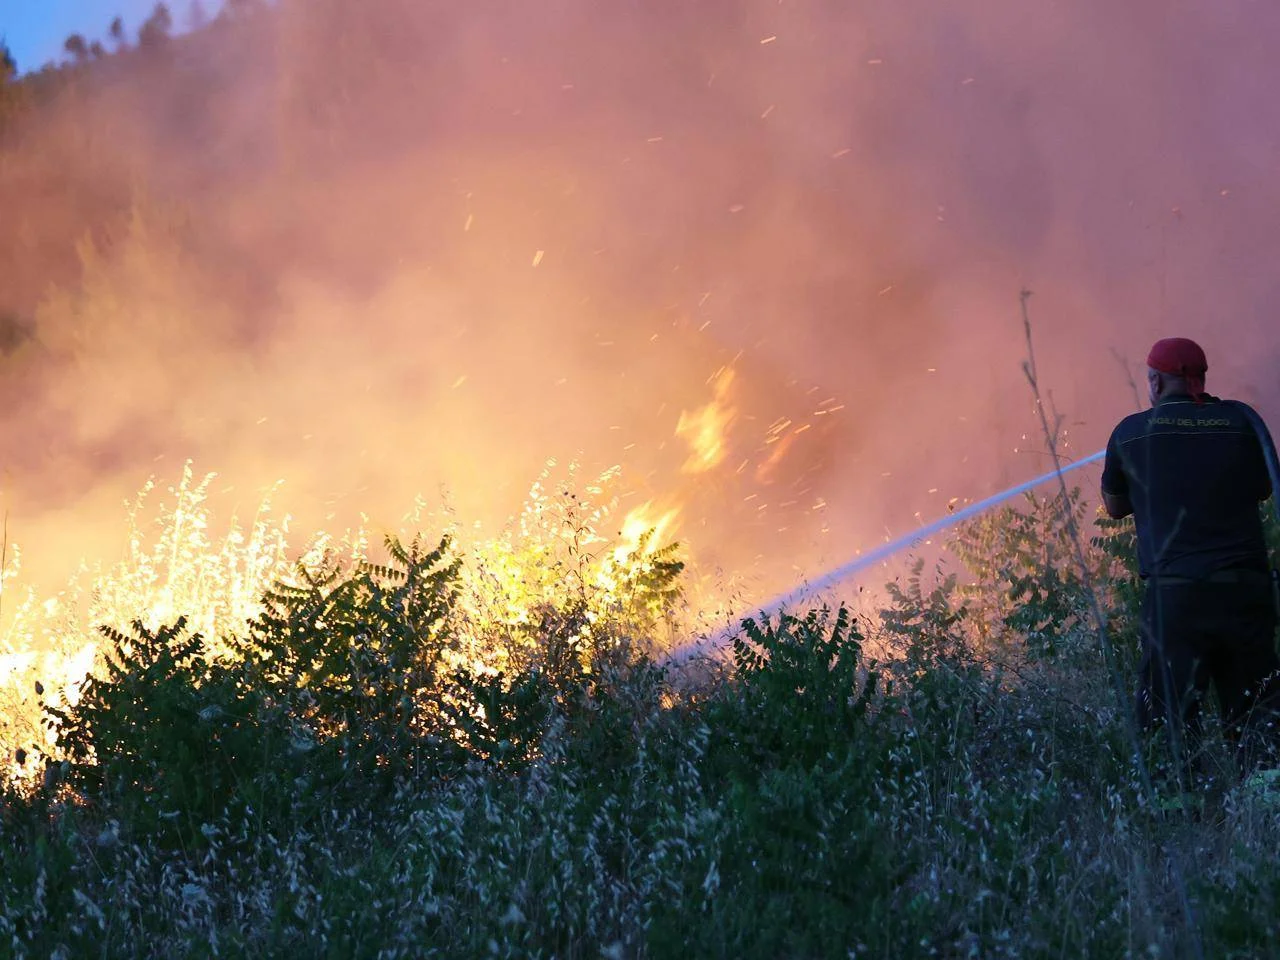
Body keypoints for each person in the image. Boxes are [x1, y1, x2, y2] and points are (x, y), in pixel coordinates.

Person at [1100, 337, 1280, 779]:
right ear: (1199, 379)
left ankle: (1182, 814)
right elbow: (1263, 488)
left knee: (1167, 723)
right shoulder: (1240, 423)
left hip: (1175, 603)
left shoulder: (1130, 432)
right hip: (1245, 596)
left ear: (1156, 383)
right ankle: (1263, 813)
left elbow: (1114, 506)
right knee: (1257, 716)